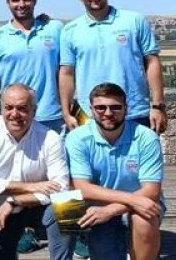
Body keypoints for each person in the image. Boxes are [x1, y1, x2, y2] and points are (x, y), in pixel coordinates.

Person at [0, 84, 71, 260]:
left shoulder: (50, 137)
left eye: (22, 108)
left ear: (34, 110)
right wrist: (30, 187)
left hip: (35, 205)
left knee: (68, 205)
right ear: (1, 109)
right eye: (8, 107)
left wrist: (14, 201)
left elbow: (61, 188)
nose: (14, 114)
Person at [64, 83, 164, 260]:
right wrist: (132, 199)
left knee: (144, 218)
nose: (108, 113)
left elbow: (151, 191)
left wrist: (111, 210)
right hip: (96, 205)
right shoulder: (77, 138)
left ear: (126, 108)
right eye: (101, 107)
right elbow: (82, 188)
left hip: (136, 205)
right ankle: (77, 246)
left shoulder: (147, 138)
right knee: (62, 203)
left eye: (115, 107)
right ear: (91, 109)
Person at [60, 0, 167, 134]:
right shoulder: (70, 31)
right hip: (90, 116)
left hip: (134, 112)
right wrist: (67, 113)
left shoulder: (134, 21)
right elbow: (67, 73)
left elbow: (152, 62)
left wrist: (158, 106)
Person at [0, 0, 64, 132]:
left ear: (35, 0)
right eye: (15, 0)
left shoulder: (55, 28)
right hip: (15, 117)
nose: (21, 4)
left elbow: (67, 71)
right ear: (8, 3)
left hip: (52, 116)